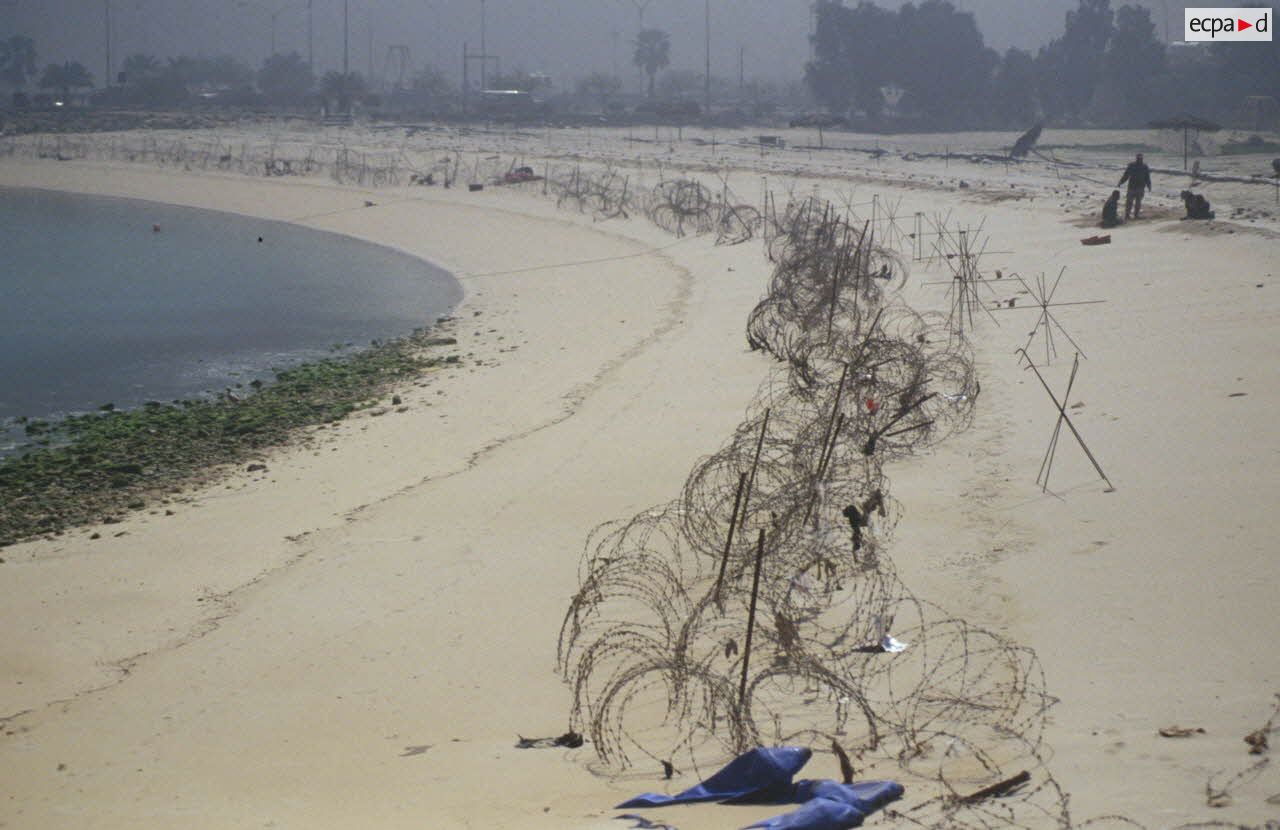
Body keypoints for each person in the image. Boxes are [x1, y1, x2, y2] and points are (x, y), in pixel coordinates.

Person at [1118, 152, 1152, 220]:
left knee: (1138, 202)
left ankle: (1136, 215)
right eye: (1138, 158)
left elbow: (1147, 178)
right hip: (1132, 187)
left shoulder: (1145, 166)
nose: (1139, 159)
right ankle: (1127, 215)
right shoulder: (1131, 165)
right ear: (1136, 158)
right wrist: (1121, 182)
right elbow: (1126, 175)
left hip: (1140, 187)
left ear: (1142, 159)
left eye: (1141, 158)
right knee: (1129, 202)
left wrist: (1149, 186)